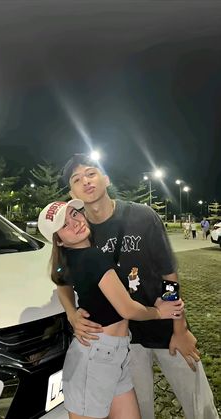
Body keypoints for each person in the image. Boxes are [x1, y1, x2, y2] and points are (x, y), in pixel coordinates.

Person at [57, 154, 219, 419]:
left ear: (106, 178)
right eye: (77, 179)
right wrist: (71, 313)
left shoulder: (142, 216)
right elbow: (62, 281)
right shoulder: (78, 231)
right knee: (141, 410)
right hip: (127, 341)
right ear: (72, 191)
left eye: (91, 173)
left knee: (199, 405)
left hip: (166, 327)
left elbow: (169, 275)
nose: (85, 181)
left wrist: (179, 328)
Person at [38, 199, 184, 419]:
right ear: (58, 241)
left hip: (118, 351)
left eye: (74, 215)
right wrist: (160, 312)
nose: (75, 222)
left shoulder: (142, 218)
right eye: (65, 225)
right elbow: (126, 309)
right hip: (99, 353)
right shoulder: (91, 256)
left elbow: (168, 269)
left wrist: (180, 328)